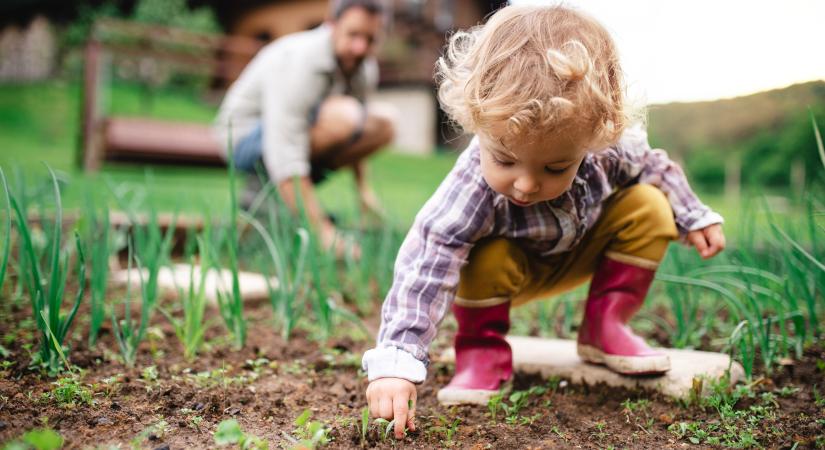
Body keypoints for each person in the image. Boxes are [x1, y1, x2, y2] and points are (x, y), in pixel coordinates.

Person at [361, 4, 726, 439]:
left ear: (592, 138)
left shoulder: (606, 148)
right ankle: (481, 350)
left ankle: (605, 326)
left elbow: (655, 167)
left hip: (579, 251)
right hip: (505, 275)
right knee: (477, 251)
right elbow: (427, 257)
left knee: (649, 203)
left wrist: (693, 215)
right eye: (505, 159)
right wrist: (397, 361)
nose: (526, 184)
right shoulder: (471, 184)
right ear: (478, 125)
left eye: (555, 167)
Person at [213, 0, 394, 256]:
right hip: (244, 138)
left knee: (384, 124)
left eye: (371, 39)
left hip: (295, 135)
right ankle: (268, 198)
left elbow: (359, 133)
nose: (360, 47)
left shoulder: (364, 67)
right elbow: (284, 146)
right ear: (331, 25)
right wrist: (323, 232)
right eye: (353, 34)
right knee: (345, 115)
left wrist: (364, 193)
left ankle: (281, 201)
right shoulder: (300, 60)